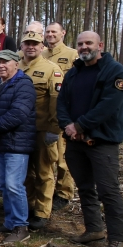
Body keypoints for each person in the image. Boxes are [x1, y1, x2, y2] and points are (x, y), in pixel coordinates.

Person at [58, 31, 123, 247]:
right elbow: (62, 103)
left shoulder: (114, 71)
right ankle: (94, 229)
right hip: (75, 142)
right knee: (85, 187)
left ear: (100, 45)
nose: (84, 47)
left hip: (102, 142)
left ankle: (117, 239)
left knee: (108, 191)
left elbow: (108, 106)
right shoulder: (74, 72)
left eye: (89, 43)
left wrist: (80, 126)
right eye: (80, 44)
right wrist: (69, 126)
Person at [0, 50, 37, 243]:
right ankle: (10, 222)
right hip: (1, 143)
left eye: (6, 62)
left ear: (16, 64)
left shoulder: (23, 85)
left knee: (14, 185)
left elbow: (18, 114)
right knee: (3, 184)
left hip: (16, 144)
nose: (1, 65)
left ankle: (21, 226)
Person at [18, 30, 64, 230]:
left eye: (35, 43)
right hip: (20, 131)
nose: (31, 47)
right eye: (27, 43)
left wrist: (54, 129)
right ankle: (27, 207)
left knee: (44, 172)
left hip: (43, 129)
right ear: (22, 46)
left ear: (42, 46)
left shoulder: (51, 69)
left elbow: (57, 101)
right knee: (25, 172)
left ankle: (42, 212)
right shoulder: (15, 66)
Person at [44, 22, 79, 211]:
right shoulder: (42, 54)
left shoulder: (72, 54)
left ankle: (64, 192)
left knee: (63, 157)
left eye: (53, 32)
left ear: (63, 33)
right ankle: (48, 192)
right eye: (47, 32)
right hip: (47, 112)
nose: (50, 35)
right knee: (49, 155)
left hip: (66, 110)